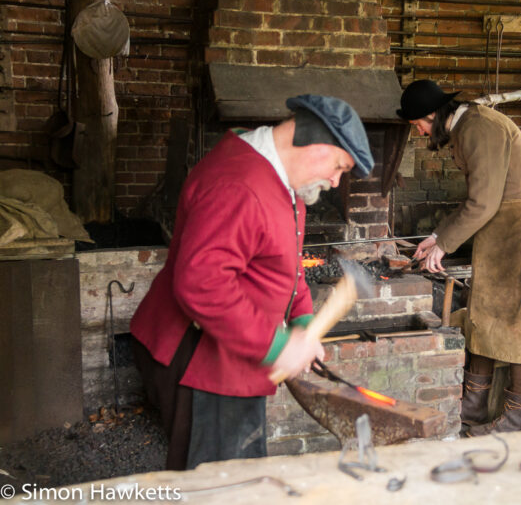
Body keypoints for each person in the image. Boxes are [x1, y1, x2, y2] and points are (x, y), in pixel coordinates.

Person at [129, 94, 374, 470]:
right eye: (339, 166)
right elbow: (202, 284)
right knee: (218, 484)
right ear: (316, 144)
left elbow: (286, 262)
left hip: (235, 353)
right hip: (201, 359)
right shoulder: (240, 184)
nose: (335, 180)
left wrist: (303, 318)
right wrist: (277, 346)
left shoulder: (285, 182)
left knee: (242, 475)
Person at [397, 79, 521, 436]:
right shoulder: (466, 128)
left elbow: (484, 203)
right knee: (480, 310)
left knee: (515, 317)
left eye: (418, 124)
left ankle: (516, 418)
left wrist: (444, 246)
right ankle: (473, 409)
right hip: (498, 222)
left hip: (515, 225)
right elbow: (479, 199)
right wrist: (435, 236)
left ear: (433, 115)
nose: (418, 131)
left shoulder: (480, 127)